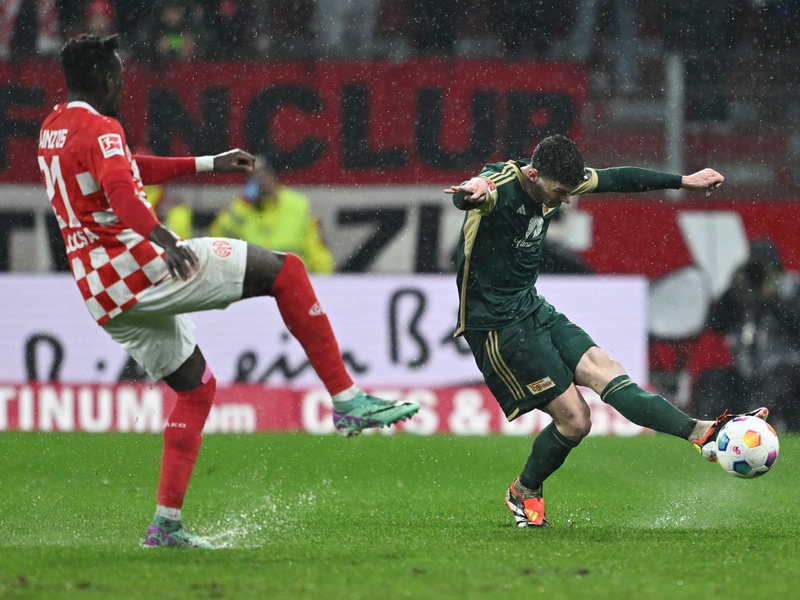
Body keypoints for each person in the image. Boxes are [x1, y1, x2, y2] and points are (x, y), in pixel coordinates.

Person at [38, 34, 419, 548]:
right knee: (287, 272)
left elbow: (126, 170)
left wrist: (206, 164)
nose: (124, 82)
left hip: (101, 294)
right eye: (119, 73)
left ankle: (166, 526)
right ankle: (347, 398)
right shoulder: (103, 127)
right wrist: (165, 239)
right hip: (141, 267)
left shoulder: (54, 128)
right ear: (106, 77)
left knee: (196, 390)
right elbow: (124, 192)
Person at [444, 135, 768, 528]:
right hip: (495, 326)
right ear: (533, 175)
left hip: (530, 306)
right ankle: (524, 490)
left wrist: (682, 181)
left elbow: (619, 179)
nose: (565, 200)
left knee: (606, 371)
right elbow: (482, 189)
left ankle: (701, 434)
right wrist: (472, 192)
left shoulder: (557, 179)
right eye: (561, 192)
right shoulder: (502, 186)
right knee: (576, 421)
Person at [697, 238, 800, 431]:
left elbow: (795, 325)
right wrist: (733, 291)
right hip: (745, 374)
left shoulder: (793, 289)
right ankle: (709, 434)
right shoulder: (742, 293)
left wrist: (773, 298)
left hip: (785, 371)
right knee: (710, 382)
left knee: (780, 383)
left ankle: (764, 428)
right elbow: (715, 322)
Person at [210, 157, 335, 274]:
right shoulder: (242, 207)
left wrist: (325, 279)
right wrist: (244, 204)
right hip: (253, 282)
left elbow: (316, 247)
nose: (260, 180)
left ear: (273, 175)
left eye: (263, 174)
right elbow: (217, 238)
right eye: (254, 176)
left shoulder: (298, 205)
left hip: (290, 279)